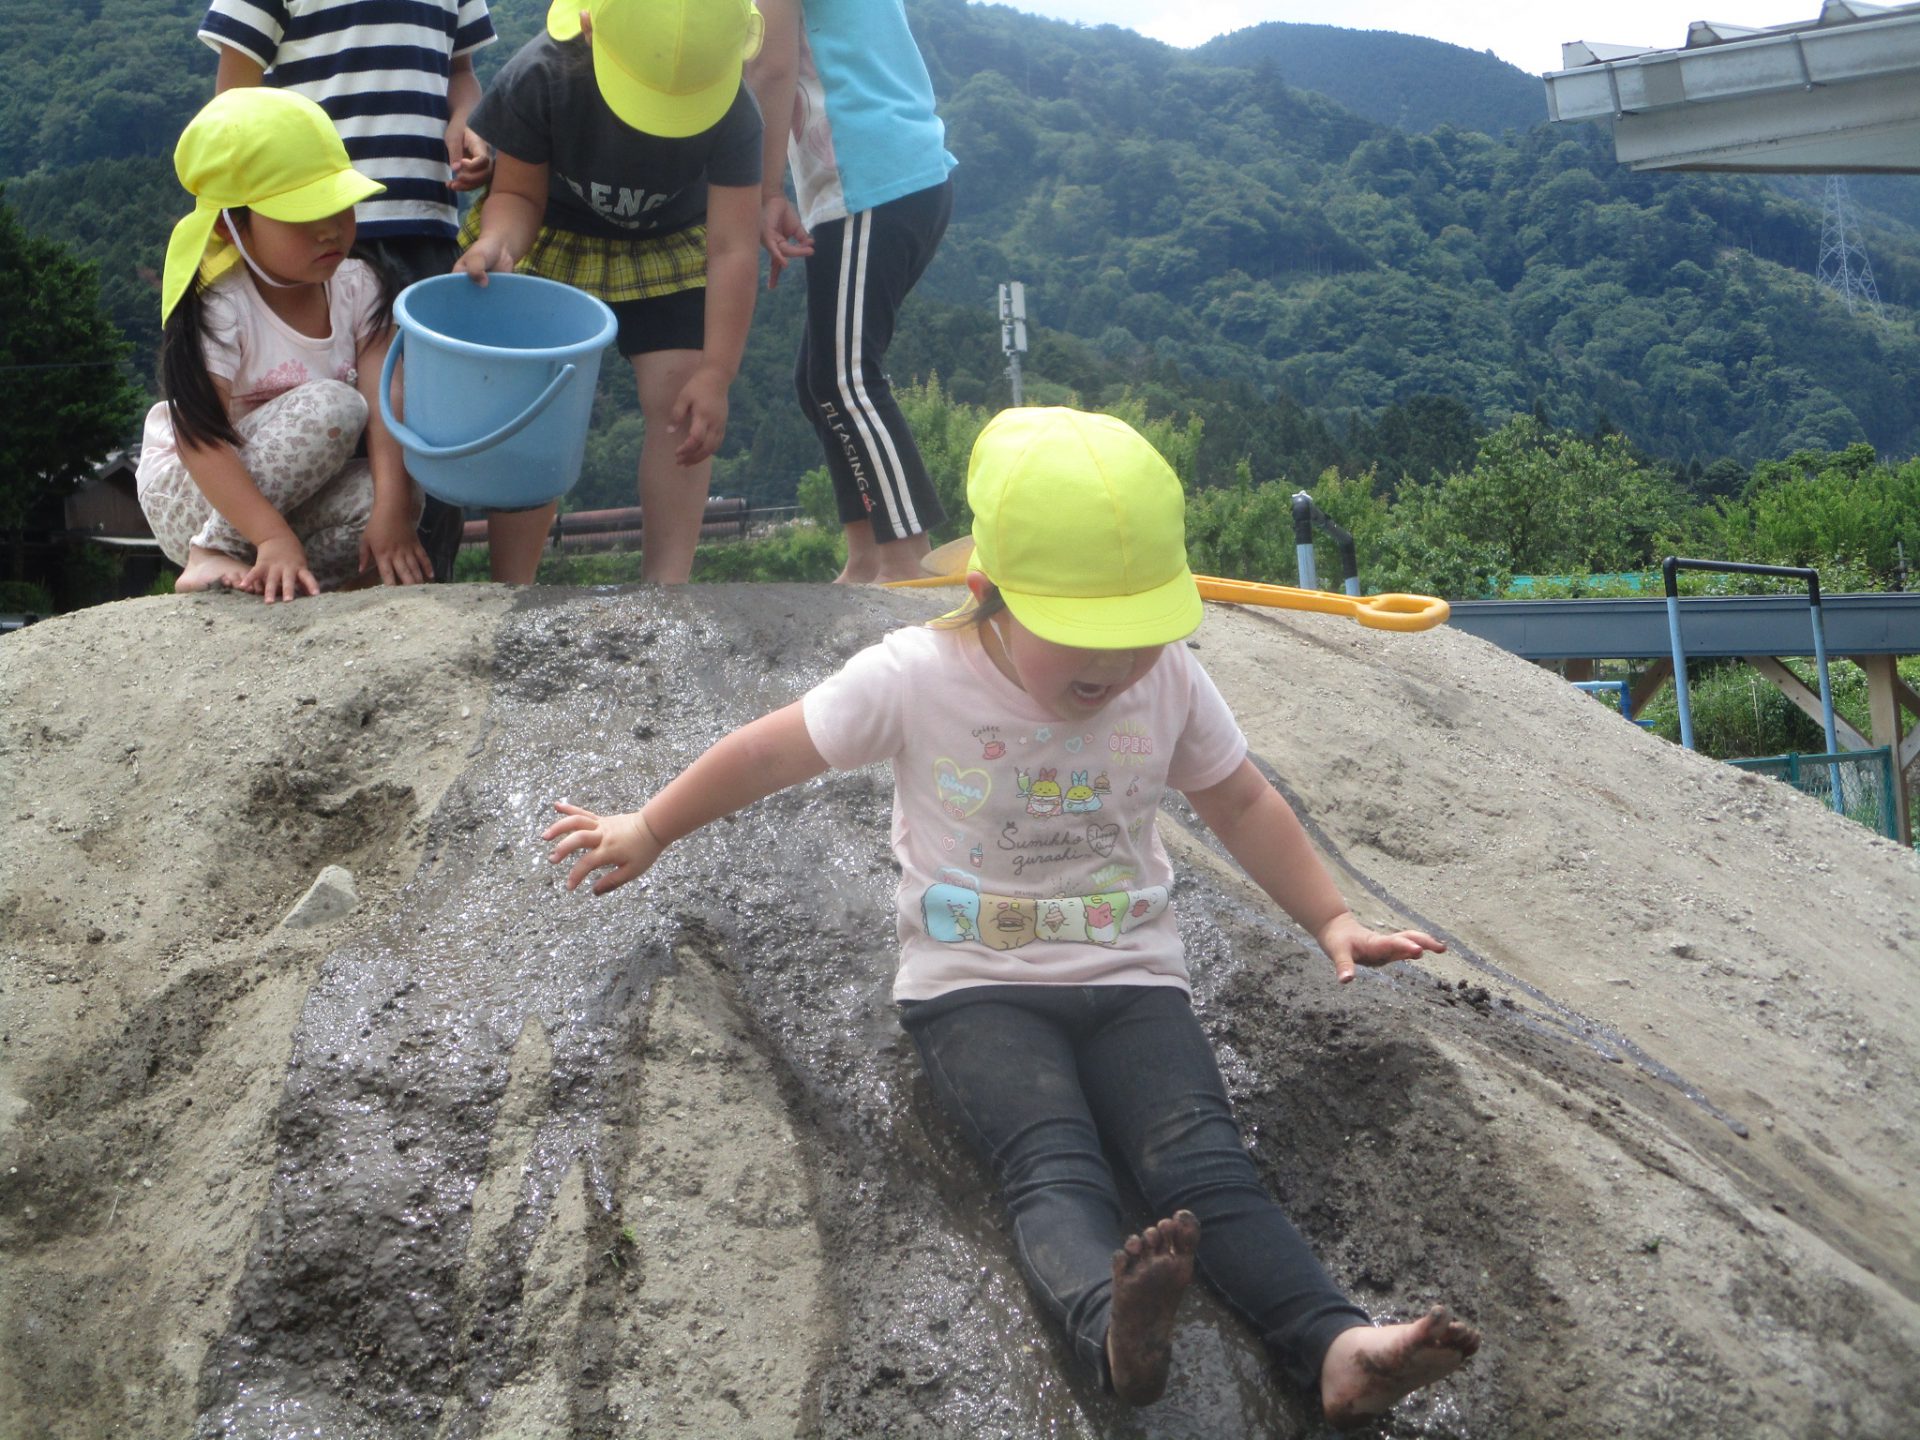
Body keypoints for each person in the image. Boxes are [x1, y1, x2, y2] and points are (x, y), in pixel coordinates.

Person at [542, 406, 1482, 1422]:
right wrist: (652, 824)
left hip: (1131, 973)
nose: (1117, 668)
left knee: (1207, 1165)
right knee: (1052, 1162)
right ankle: (1117, 1333)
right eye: (1085, 641)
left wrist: (1330, 919)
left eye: (1139, 636)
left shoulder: (1167, 676)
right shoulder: (916, 675)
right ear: (988, 592)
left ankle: (1337, 1345)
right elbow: (773, 749)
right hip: (974, 985)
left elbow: (1241, 800)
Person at [454, 0, 764, 585]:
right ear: (590, 27)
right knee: (537, 401)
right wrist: (498, 242)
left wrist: (716, 373)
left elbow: (732, 248)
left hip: (668, 245)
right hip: (553, 233)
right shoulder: (542, 75)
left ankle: (666, 589)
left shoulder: (736, 111)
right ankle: (511, 586)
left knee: (682, 399)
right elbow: (517, 196)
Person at [198, 0, 498, 584]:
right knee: (324, 407)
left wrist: (468, 120)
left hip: (424, 222)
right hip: (303, 223)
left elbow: (460, 71)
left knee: (424, 419)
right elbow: (234, 99)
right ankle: (262, 549)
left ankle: (417, 583)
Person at [138, 88, 429, 603]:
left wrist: (392, 508)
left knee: (395, 497)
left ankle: (279, 576)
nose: (330, 231)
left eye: (338, 206)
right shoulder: (223, 307)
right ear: (230, 226)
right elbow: (200, 439)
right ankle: (213, 552)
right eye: (300, 216)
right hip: (193, 493)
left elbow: (388, 400)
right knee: (335, 407)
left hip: (284, 501)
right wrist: (268, 533)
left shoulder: (359, 287)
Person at [746, 0, 956, 585]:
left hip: (867, 177)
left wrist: (766, 193)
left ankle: (908, 564)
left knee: (846, 377)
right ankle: (866, 557)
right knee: (819, 380)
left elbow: (770, 68)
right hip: (891, 173)